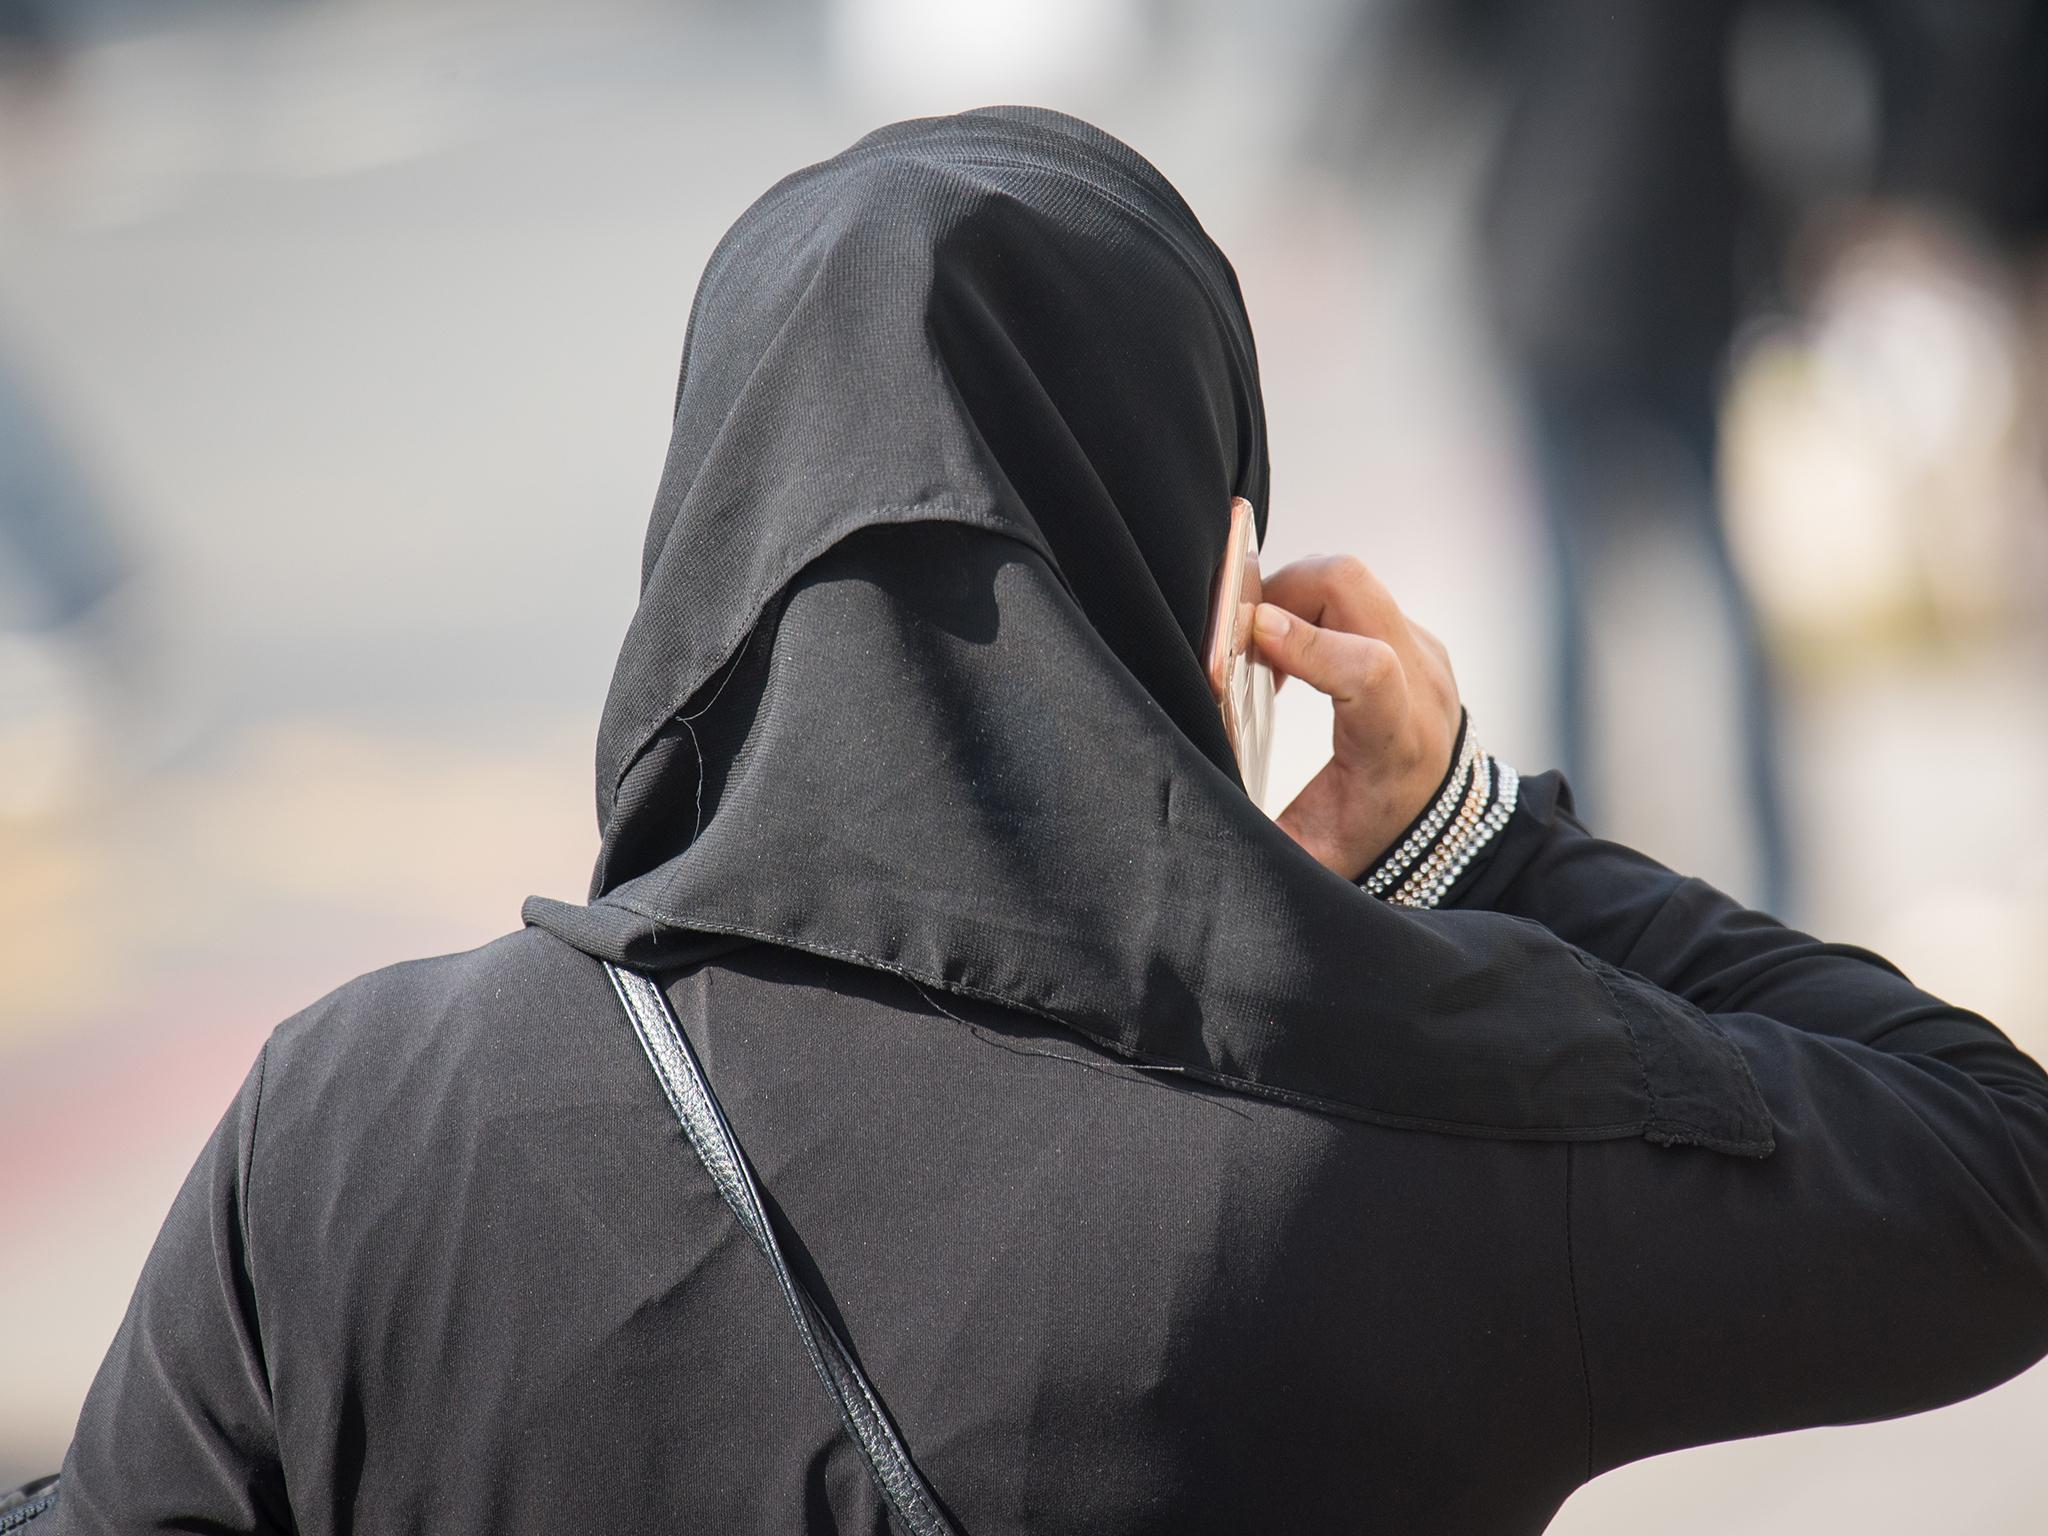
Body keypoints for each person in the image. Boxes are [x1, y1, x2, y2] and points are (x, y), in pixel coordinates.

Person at [35, 108, 2048, 1534]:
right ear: (1215, 576)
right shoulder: (1391, 1130)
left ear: (708, 557)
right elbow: (1993, 1175)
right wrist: (1462, 839)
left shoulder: (357, 1125)